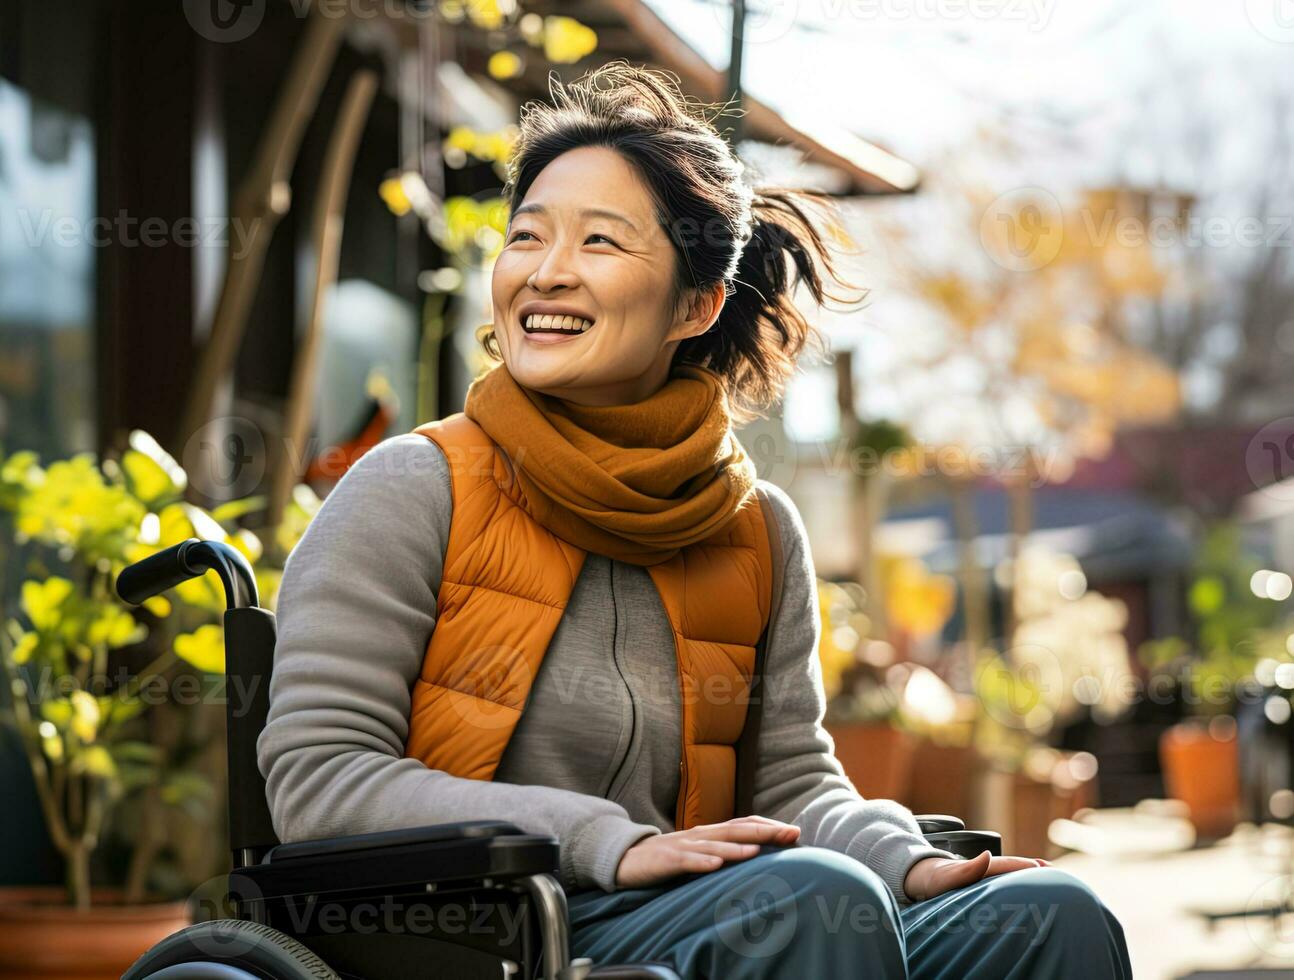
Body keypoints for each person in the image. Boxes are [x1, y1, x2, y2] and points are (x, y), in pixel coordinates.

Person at [257, 61, 1132, 978]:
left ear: (697, 303)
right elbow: (322, 779)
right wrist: (605, 842)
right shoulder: (418, 486)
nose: (547, 273)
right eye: (527, 237)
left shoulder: (753, 530)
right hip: (481, 929)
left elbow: (792, 782)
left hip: (693, 910)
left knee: (1050, 914)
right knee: (810, 900)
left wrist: (903, 857)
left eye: (600, 243)